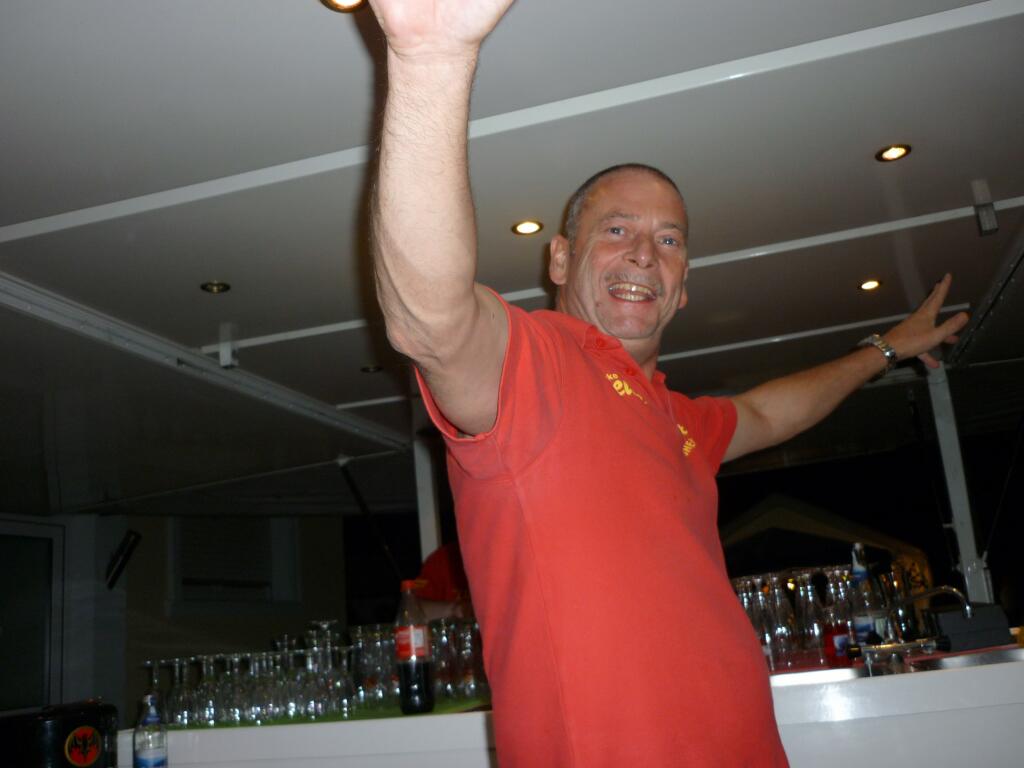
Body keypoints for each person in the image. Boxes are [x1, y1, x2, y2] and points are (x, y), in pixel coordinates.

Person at [364, 1, 968, 765]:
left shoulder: (676, 417)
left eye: (669, 240)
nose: (644, 254)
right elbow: (430, 321)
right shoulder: (534, 364)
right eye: (616, 230)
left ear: (683, 287)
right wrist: (430, 59)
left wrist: (886, 348)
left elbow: (767, 413)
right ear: (559, 259)